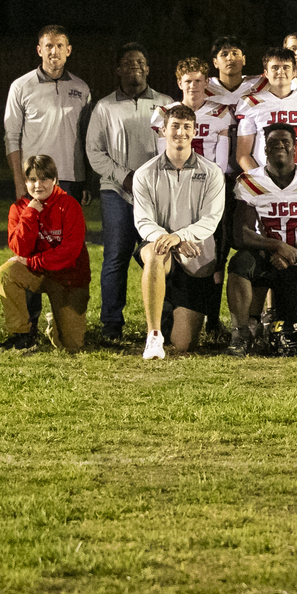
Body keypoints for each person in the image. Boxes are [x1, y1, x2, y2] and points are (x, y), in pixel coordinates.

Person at [85, 42, 172, 343]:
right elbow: (94, 152)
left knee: (160, 255)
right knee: (115, 257)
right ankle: (111, 323)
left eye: (140, 62)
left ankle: (164, 321)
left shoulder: (165, 105)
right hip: (116, 193)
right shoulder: (104, 107)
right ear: (118, 70)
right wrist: (123, 176)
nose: (134, 67)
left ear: (148, 68)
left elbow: (176, 147)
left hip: (155, 194)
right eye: (128, 63)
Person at [227, 123, 297, 356]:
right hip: (266, 258)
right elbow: (241, 233)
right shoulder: (250, 181)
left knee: (295, 329)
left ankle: (263, 322)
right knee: (239, 263)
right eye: (273, 142)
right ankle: (241, 332)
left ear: (296, 147)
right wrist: (277, 246)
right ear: (264, 149)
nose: (280, 146)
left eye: (286, 141)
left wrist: (295, 254)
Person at [134, 104, 227, 359]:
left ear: (195, 132)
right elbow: (143, 222)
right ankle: (153, 336)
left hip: (195, 254)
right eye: (174, 126)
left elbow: (211, 219)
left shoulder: (212, 173)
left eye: (187, 127)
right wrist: (172, 241)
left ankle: (166, 314)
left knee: (184, 344)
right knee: (153, 253)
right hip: (161, 249)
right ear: (163, 130)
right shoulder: (144, 173)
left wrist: (181, 236)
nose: (181, 132)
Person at [154, 57, 238, 336]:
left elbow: (223, 162)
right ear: (179, 83)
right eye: (187, 81)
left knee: (215, 255)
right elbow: (161, 157)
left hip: (210, 188)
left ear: (207, 82)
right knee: (168, 249)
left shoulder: (219, 112)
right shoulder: (165, 113)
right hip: (174, 189)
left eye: (199, 80)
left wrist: (208, 185)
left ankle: (211, 319)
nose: (193, 86)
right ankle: (168, 316)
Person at [0, 153, 90, 354]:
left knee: (70, 345)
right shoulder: (19, 208)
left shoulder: (69, 205)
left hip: (67, 277)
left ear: (55, 179)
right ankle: (22, 335)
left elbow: (70, 252)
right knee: (8, 272)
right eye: (32, 179)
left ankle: (55, 322)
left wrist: (33, 261)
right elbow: (19, 249)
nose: (38, 185)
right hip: (39, 275)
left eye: (44, 179)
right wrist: (30, 213)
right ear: (25, 181)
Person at [4, 24, 92, 203]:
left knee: (68, 232)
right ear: (39, 50)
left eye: (60, 46)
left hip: (71, 179)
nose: (54, 51)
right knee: (34, 231)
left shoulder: (81, 88)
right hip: (36, 179)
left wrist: (87, 182)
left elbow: (88, 138)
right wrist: (19, 182)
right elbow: (11, 137)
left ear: (68, 50)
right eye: (49, 46)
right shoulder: (20, 86)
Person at [237, 48, 297, 173]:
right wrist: (261, 179)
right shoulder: (251, 103)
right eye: (275, 67)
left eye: (286, 67)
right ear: (266, 73)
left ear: (294, 72)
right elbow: (243, 154)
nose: (280, 71)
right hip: (262, 177)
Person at [207, 35, 260, 103]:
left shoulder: (259, 83)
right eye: (224, 54)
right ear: (215, 62)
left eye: (235, 54)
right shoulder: (204, 87)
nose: (230, 58)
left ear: (243, 60)